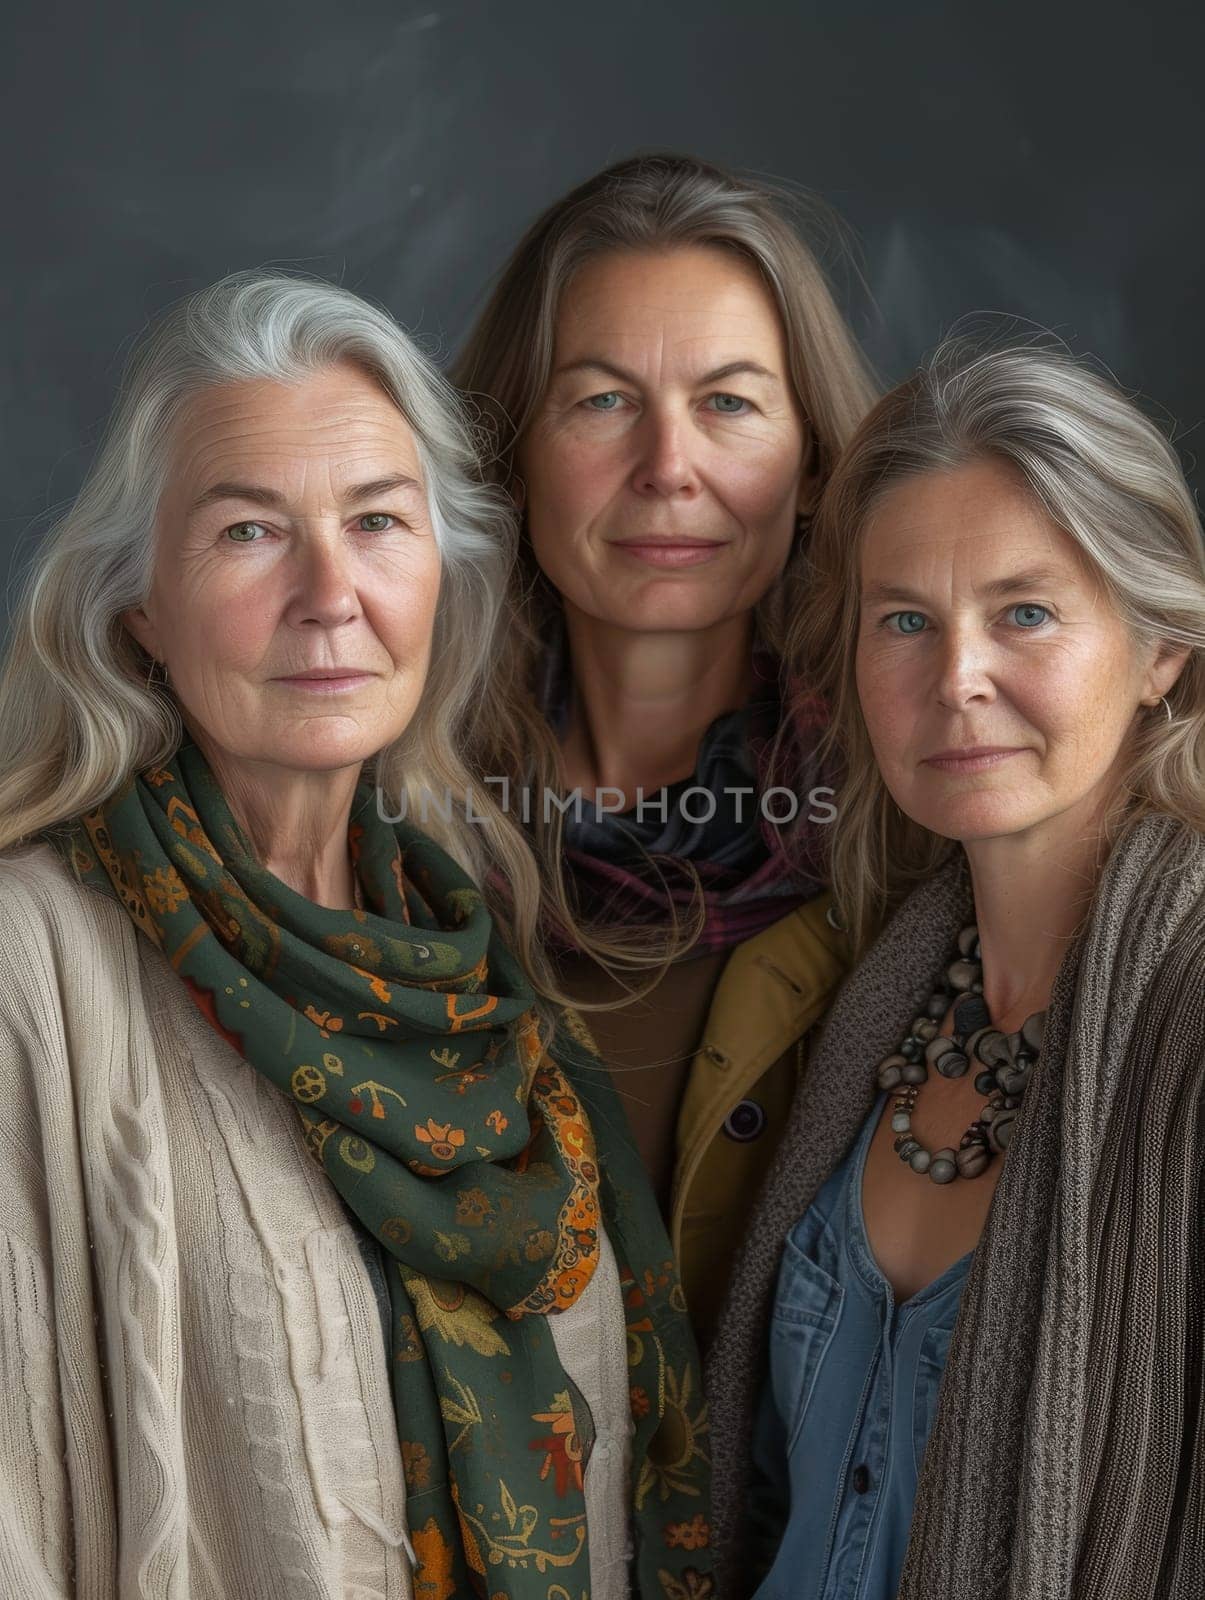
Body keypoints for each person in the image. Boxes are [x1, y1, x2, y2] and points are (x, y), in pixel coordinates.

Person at [0, 272, 711, 1600]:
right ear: (139, 607)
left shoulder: (472, 952)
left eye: (378, 521)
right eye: (249, 534)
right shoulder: (32, 967)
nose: (331, 593)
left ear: (439, 573)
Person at [705, 335, 1205, 1598]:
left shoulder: (1186, 1019)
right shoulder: (860, 1000)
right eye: (904, 621)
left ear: (1159, 649)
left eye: (1022, 612)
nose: (954, 679)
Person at [454, 153, 877, 1344]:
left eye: (729, 402)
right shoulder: (375, 817)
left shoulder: (917, 831)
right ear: (510, 450)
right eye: (599, 400)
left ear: (808, 467)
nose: (667, 466)